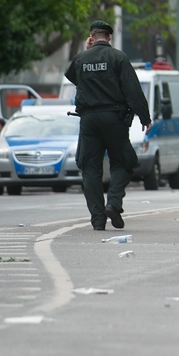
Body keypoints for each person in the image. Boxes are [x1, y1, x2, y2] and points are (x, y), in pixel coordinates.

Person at [64, 20, 152, 231]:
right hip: (115, 118)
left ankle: (97, 219)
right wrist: (144, 117)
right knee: (123, 163)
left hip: (89, 121)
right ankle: (113, 203)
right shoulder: (118, 57)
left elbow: (74, 78)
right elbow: (132, 89)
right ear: (109, 38)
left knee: (90, 168)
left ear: (91, 38)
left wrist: (87, 52)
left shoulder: (80, 59)